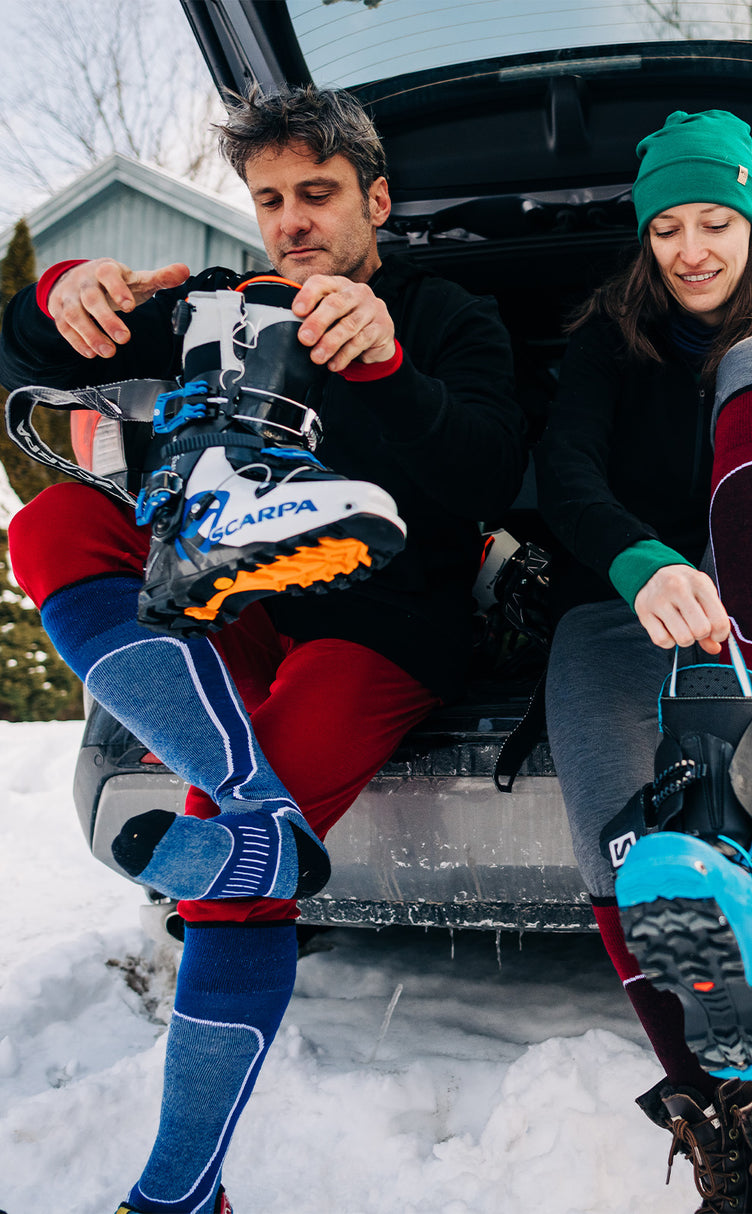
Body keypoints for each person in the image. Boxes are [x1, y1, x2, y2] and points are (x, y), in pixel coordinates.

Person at [0, 86, 525, 1214]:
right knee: (49, 525)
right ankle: (255, 801)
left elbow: (488, 470)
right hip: (221, 603)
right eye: (271, 198)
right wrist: (61, 292)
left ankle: (182, 1193)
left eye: (317, 194)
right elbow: (20, 355)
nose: (291, 220)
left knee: (230, 877)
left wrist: (386, 369)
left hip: (379, 626)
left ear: (375, 201)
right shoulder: (217, 305)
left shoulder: (445, 314)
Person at [535, 110, 752, 1213]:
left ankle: (737, 770)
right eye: (667, 227)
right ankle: (736, 1140)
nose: (690, 249)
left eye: (715, 222)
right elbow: (566, 476)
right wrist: (637, 560)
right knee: (625, 852)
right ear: (645, 238)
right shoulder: (607, 341)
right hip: (628, 609)